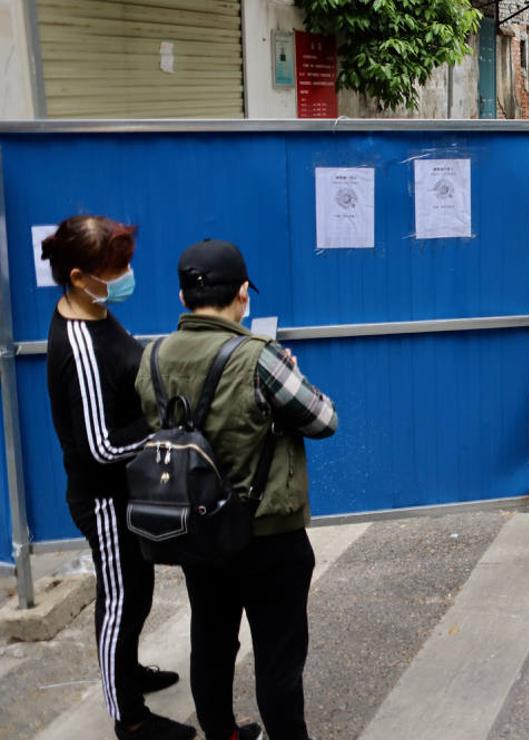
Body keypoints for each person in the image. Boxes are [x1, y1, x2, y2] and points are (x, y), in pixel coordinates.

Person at [136, 240, 337, 740]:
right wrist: (285, 372)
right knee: (277, 652)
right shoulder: (259, 358)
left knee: (211, 638)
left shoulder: (153, 356)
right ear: (243, 295)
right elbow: (323, 420)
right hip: (268, 531)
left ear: (183, 298)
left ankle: (222, 732)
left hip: (197, 528)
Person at [41, 216, 197, 740]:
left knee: (138, 593)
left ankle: (126, 675)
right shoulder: (79, 345)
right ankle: (128, 718)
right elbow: (100, 446)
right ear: (81, 275)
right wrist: (165, 436)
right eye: (117, 269)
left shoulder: (96, 311)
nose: (127, 276)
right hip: (102, 500)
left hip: (121, 493)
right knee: (121, 601)